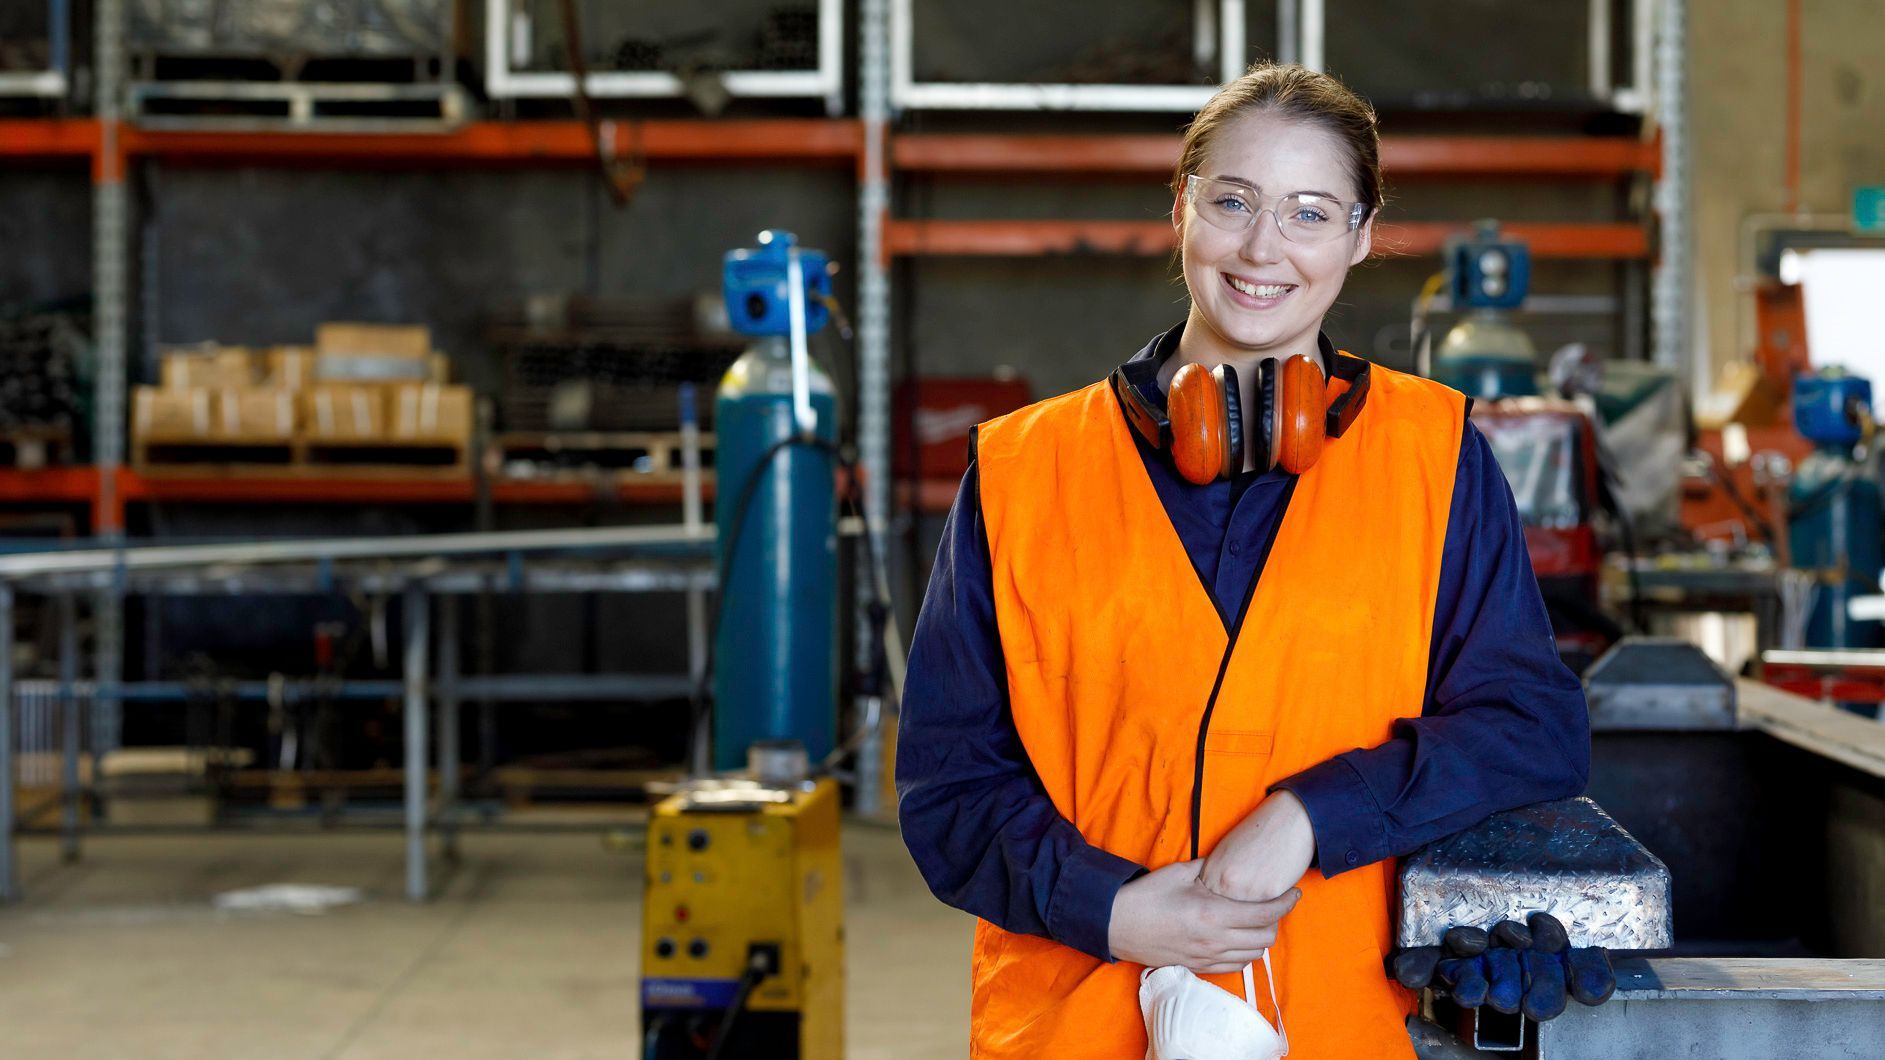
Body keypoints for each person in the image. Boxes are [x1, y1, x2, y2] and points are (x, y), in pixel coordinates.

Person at [896, 62, 1591, 1058]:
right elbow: (948, 784)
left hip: (1339, 1024)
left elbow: (1529, 725)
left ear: (1360, 235)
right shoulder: (1022, 471)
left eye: (1309, 213)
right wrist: (1110, 908)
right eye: (1232, 202)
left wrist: (1313, 814)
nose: (1264, 247)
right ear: (1180, 207)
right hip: (1076, 1025)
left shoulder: (1433, 458)